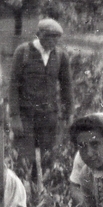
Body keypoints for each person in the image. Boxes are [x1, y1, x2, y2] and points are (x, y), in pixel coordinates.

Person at [8, 18, 73, 186]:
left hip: (49, 117)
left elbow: (67, 87)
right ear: (40, 35)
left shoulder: (60, 56)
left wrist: (68, 114)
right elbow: (13, 85)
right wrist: (14, 117)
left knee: (48, 161)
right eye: (50, 37)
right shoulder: (23, 52)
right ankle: (24, 196)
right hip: (26, 117)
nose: (54, 41)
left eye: (57, 37)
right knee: (25, 161)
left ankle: (45, 200)